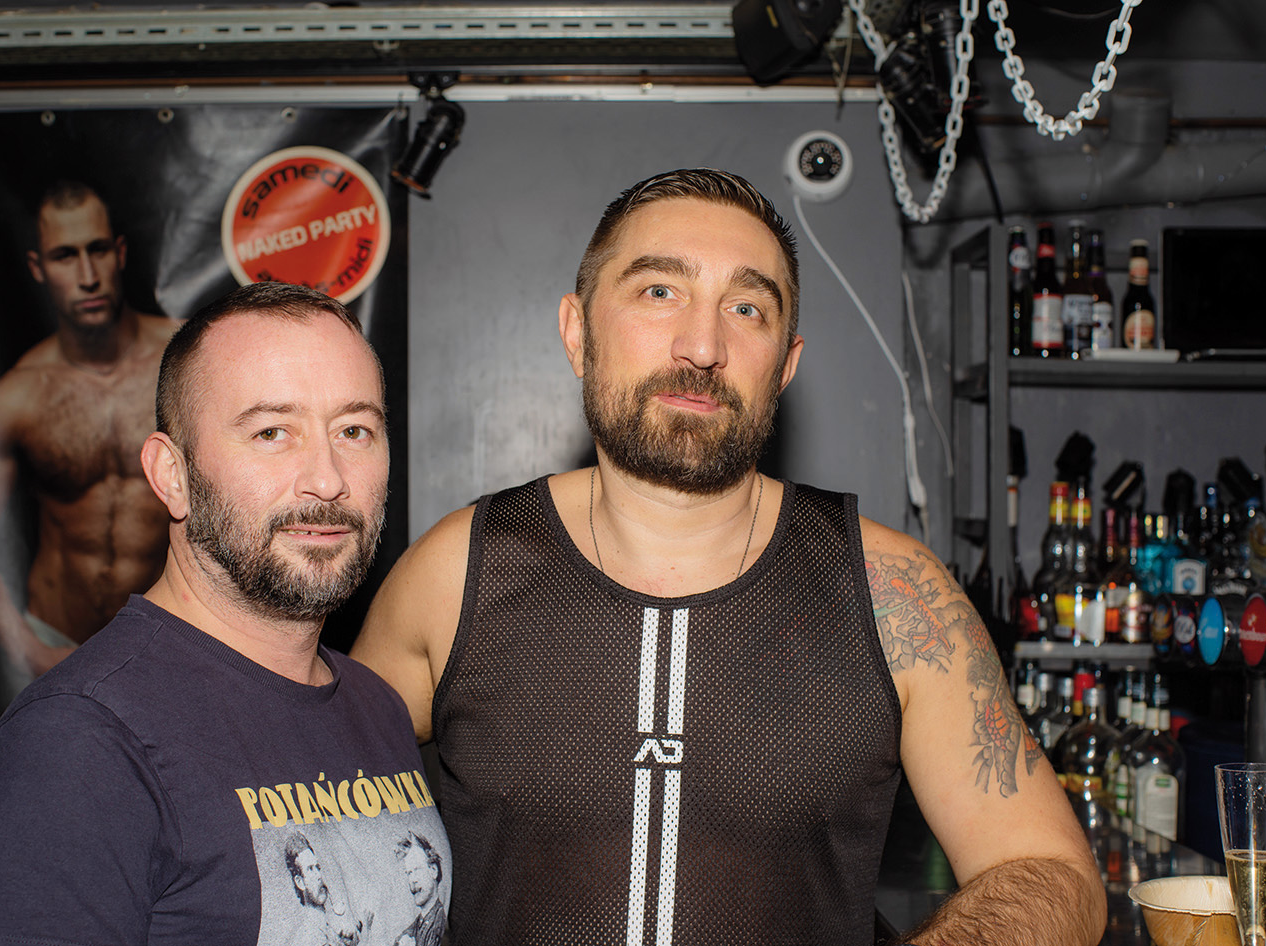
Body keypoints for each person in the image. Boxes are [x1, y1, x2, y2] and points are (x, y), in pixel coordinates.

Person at [351, 169, 1105, 946]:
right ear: (577, 333)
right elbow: (305, 811)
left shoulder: (895, 593)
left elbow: (1052, 874)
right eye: (658, 292)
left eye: (746, 309)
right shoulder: (456, 573)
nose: (703, 346)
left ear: (784, 363)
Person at [0, 282, 450, 945]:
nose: (327, 478)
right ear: (171, 476)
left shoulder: (376, 707)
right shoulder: (74, 746)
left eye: (354, 430)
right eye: (271, 432)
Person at [0, 179, 178, 678]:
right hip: (56, 641)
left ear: (120, 254)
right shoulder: (15, 396)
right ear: (38, 268)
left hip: (165, 644)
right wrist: (28, 649)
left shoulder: (185, 362)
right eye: (65, 256)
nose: (87, 276)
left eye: (98, 250)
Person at [284, 832, 374, 946]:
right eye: (310, 869)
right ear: (300, 882)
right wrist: (366, 932)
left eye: (318, 867)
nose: (319, 875)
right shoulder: (310, 936)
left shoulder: (324, 929)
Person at [393, 832, 447, 946]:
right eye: (409, 873)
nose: (412, 880)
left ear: (433, 870)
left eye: (417, 870)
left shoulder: (439, 922)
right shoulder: (408, 933)